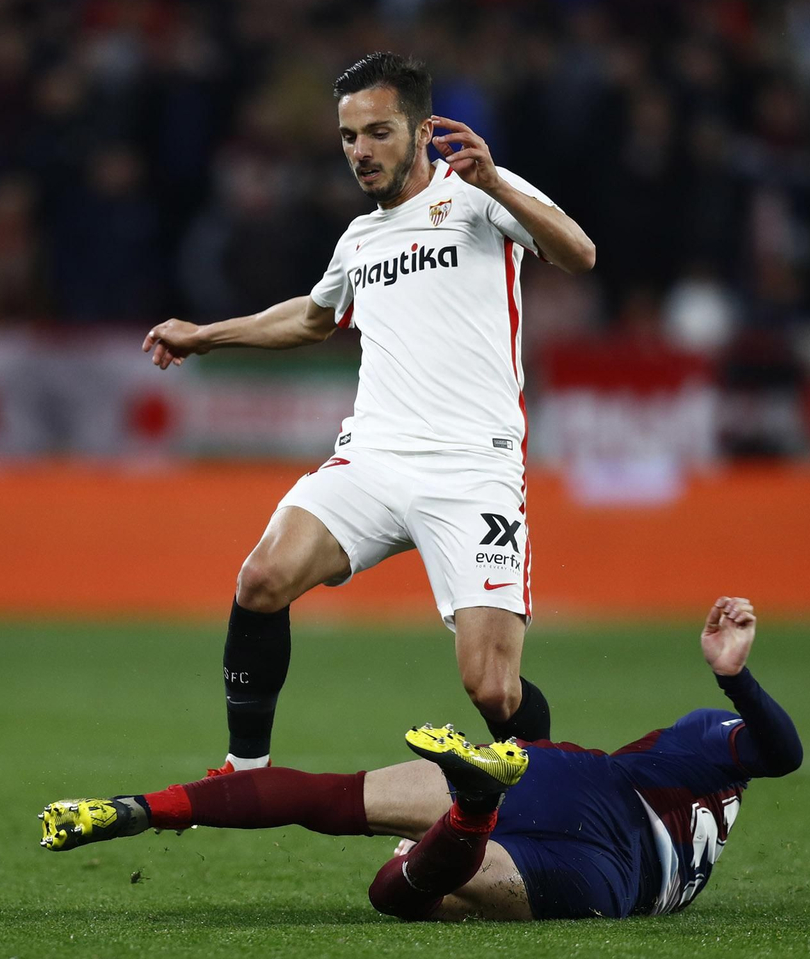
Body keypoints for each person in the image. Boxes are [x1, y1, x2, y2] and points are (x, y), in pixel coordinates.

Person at [141, 52, 597, 775]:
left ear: (420, 132)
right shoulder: (360, 239)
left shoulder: (478, 193)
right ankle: (246, 774)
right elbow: (313, 318)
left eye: (378, 133)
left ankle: (555, 795)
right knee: (262, 579)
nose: (360, 151)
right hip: (374, 459)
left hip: (471, 467)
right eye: (350, 136)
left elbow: (580, 253)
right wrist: (205, 335)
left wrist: (498, 184)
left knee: (492, 688)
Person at [40, 597, 802, 922]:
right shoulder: (717, 772)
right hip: (607, 877)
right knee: (400, 895)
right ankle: (473, 807)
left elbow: (779, 751)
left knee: (335, 797)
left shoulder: (701, 745)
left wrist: (732, 680)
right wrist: (734, 677)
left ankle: (147, 808)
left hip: (571, 782)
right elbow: (780, 754)